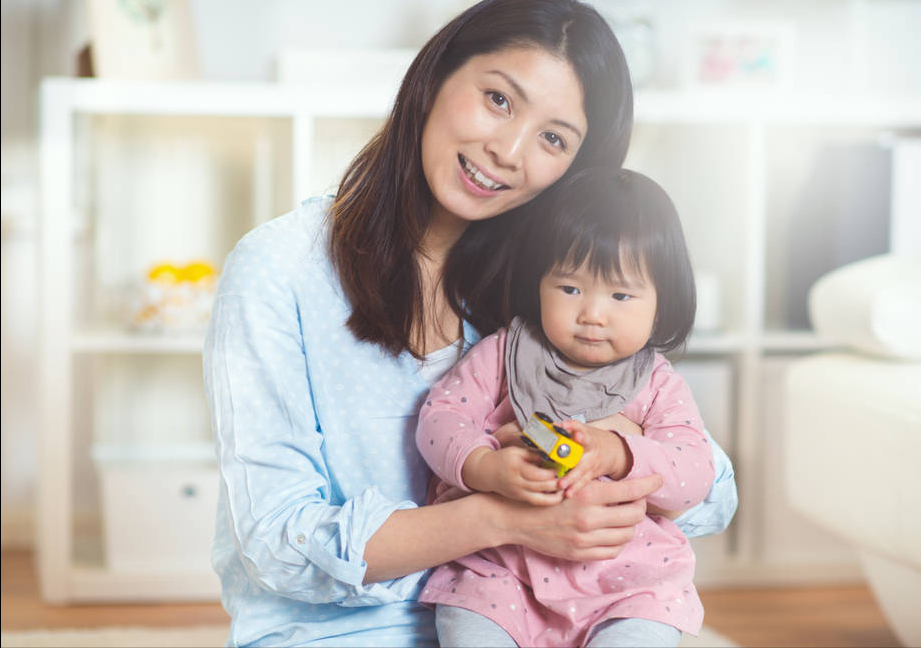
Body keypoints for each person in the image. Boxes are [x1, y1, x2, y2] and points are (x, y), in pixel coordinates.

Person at [203, 1, 737, 646]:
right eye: (498, 99)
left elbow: (715, 494)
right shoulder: (280, 269)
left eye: (554, 139)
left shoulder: (553, 290)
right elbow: (276, 543)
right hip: (345, 631)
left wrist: (616, 438)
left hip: (553, 622)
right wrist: (502, 518)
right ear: (434, 77)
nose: (507, 152)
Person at [417, 168, 711, 648]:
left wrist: (618, 452)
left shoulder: (656, 383)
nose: (592, 314)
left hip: (626, 584)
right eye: (570, 288)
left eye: (620, 295)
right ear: (539, 283)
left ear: (661, 302)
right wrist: (483, 466)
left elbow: (695, 471)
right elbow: (439, 419)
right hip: (501, 574)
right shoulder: (504, 353)